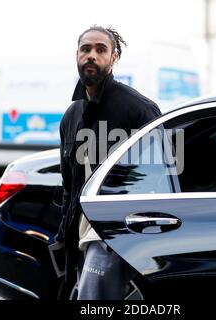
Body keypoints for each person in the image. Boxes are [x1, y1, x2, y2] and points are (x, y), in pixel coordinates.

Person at [53, 25, 161, 300]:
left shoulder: (138, 110)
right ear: (77, 55)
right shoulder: (71, 115)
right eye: (85, 49)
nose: (91, 55)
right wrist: (63, 234)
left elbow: (159, 176)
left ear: (113, 58)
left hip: (115, 234)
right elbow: (69, 184)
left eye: (101, 50)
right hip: (80, 232)